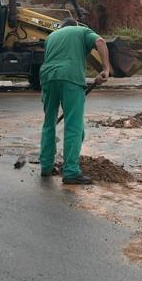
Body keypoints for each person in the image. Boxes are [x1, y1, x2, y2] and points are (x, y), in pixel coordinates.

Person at [39, 16, 110, 185]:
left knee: (49, 122)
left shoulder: (51, 37)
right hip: (70, 77)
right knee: (73, 125)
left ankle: (46, 166)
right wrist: (106, 69)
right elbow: (100, 42)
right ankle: (71, 171)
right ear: (75, 25)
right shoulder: (81, 30)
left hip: (48, 77)